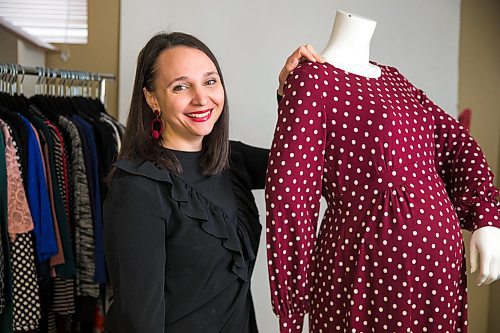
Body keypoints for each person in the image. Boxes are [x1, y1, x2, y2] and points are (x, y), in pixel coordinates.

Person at [265, 10, 500, 333]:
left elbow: (458, 144)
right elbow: (290, 194)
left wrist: (485, 217)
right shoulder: (311, 80)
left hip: (437, 275)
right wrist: (292, 303)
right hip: (371, 268)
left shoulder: (394, 80)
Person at [102, 31, 324, 333]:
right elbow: (140, 322)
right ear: (152, 97)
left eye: (210, 81)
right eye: (181, 86)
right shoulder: (137, 187)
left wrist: (292, 92)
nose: (201, 98)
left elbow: (306, 165)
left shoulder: (232, 160)